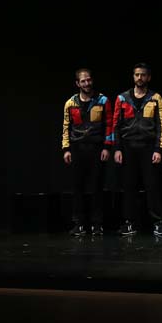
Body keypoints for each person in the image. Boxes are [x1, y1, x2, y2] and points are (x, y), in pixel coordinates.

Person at [110, 63, 162, 237]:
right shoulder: (122, 98)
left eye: (143, 75)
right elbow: (115, 125)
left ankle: (158, 222)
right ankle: (129, 222)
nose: (140, 78)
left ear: (148, 77)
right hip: (128, 147)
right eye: (137, 75)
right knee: (129, 187)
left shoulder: (155, 98)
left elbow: (161, 125)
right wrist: (117, 148)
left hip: (149, 147)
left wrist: (158, 149)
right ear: (133, 77)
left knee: (152, 186)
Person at [61, 68, 112, 236]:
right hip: (77, 149)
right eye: (83, 81)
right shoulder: (70, 103)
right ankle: (79, 224)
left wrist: (107, 147)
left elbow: (109, 124)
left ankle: (97, 224)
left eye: (88, 80)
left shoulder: (102, 100)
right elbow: (66, 127)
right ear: (77, 83)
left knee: (97, 187)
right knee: (78, 188)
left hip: (96, 148)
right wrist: (66, 149)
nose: (86, 83)